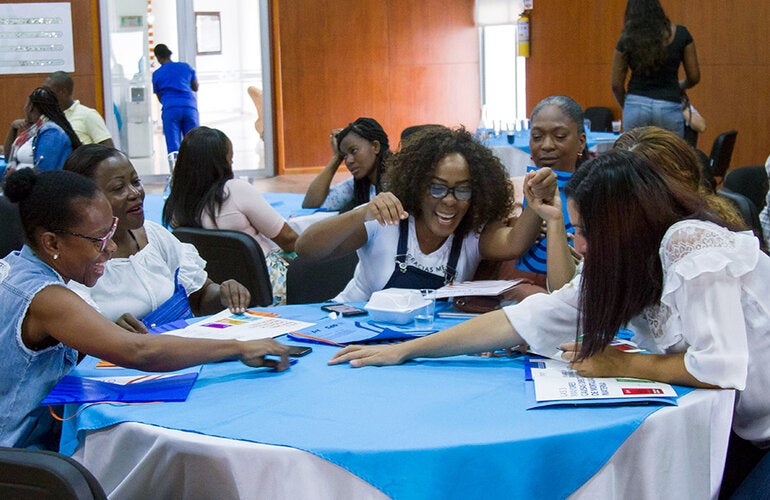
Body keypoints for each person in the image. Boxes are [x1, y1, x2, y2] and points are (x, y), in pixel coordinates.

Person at [329, 150, 770, 496]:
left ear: (623, 226)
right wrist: (406, 349)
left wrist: (622, 364)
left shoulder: (688, 243)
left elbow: (719, 366)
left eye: (585, 230)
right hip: (745, 430)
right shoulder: (620, 261)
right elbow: (525, 318)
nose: (580, 244)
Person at [0, 169, 290, 450]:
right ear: (52, 242)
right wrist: (239, 347)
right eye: (99, 239)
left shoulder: (15, 268)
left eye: (111, 231)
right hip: (19, 456)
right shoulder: (47, 297)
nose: (111, 248)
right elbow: (139, 351)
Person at [295, 126, 557, 302]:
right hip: (352, 331)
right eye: (437, 188)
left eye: (462, 190)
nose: (449, 201)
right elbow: (306, 249)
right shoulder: (385, 220)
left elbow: (514, 243)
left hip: (418, 347)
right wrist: (363, 212)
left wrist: (536, 200)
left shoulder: (470, 235)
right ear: (417, 186)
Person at [63, 145, 251, 333]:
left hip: (182, 346)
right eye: (119, 188)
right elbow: (77, 338)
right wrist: (109, 333)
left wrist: (225, 295)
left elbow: (201, 296)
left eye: (136, 182)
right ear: (85, 202)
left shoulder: (154, 236)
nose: (135, 193)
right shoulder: (78, 265)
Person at [162, 126, 298, 304]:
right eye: (230, 159)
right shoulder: (235, 191)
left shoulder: (176, 205)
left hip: (217, 295)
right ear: (221, 163)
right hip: (266, 285)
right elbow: (288, 239)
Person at [498, 96, 588, 295]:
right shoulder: (511, 192)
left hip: (569, 296)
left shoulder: (595, 195)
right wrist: (522, 227)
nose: (547, 145)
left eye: (560, 136)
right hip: (514, 294)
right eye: (537, 137)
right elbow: (491, 247)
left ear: (581, 142)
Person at [611, 0, 700, 137]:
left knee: (635, 151)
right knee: (669, 151)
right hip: (668, 104)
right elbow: (694, 77)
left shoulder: (626, 38)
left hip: (636, 103)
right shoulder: (681, 34)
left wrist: (628, 106)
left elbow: (616, 85)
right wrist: (678, 85)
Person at [302, 117, 391, 212]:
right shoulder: (360, 184)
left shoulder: (397, 181)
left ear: (375, 146)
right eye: (344, 156)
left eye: (354, 151)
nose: (348, 161)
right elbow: (311, 203)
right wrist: (336, 157)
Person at [3, 87, 82, 175]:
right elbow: (7, 157)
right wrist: (13, 128)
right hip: (21, 181)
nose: (24, 108)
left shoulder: (52, 132)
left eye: (26, 105)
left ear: (30, 107)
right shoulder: (32, 131)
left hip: (38, 183)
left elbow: (44, 171)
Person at [43, 71, 115, 147]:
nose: (44, 94)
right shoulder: (46, 117)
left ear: (63, 92)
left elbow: (109, 149)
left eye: (48, 91)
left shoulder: (88, 115)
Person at [151, 43, 199, 155]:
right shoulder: (185, 67)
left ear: (158, 57)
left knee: (173, 146)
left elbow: (159, 97)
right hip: (189, 108)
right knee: (194, 143)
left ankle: (176, 166)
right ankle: (196, 165)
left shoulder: (157, 74)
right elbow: (195, 87)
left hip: (171, 108)